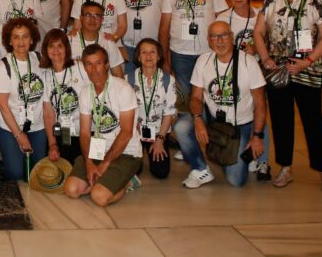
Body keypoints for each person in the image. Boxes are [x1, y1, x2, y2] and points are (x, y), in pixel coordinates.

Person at [252, 0, 322, 192]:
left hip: (307, 69)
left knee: (313, 120)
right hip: (278, 71)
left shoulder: (316, 3)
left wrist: (307, 61)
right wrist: (265, 57)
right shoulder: (271, 1)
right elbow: (258, 32)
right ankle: (285, 167)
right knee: (281, 120)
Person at [174, 20, 267, 189]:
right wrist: (198, 119)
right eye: (214, 36)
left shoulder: (248, 62)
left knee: (236, 181)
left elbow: (260, 103)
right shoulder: (203, 61)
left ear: (231, 37)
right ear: (208, 40)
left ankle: (237, 155)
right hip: (213, 120)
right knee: (181, 127)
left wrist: (257, 136)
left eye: (224, 35)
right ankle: (200, 169)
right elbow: (195, 97)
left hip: (240, 125)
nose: (220, 41)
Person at [63, 44, 141, 207]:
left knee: (98, 197)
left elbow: (126, 133)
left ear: (106, 65)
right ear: (84, 67)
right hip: (99, 149)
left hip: (126, 153)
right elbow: (84, 133)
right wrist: (89, 162)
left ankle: (128, 182)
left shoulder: (123, 89)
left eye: (98, 63)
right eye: (89, 64)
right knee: (71, 190)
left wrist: (105, 164)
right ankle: (105, 180)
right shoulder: (86, 92)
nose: (94, 69)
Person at [218, 0, 271, 181]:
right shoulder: (222, 18)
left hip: (256, 74)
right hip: (232, 76)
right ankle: (241, 152)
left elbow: (269, 45)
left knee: (260, 111)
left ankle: (263, 160)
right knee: (241, 113)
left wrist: (256, 50)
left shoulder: (261, 16)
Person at [159, 0, 229, 97]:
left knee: (210, 93)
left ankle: (207, 120)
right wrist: (164, 59)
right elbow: (164, 29)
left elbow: (225, 20)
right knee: (185, 96)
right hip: (180, 55)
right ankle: (191, 120)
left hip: (208, 51)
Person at [0, 18, 47, 181]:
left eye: (25, 36)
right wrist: (19, 135)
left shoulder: (40, 60)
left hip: (37, 125)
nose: (21, 41)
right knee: (16, 174)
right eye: (16, 37)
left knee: (37, 174)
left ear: (32, 39)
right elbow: (2, 105)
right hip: (10, 127)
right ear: (9, 41)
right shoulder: (3, 67)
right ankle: (8, 158)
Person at [40, 28, 88, 164]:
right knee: (60, 168)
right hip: (64, 133)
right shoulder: (46, 75)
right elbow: (48, 113)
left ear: (66, 48)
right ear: (46, 49)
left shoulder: (80, 67)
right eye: (51, 46)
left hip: (86, 132)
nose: (56, 50)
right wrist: (52, 144)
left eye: (60, 46)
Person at [132, 38, 176, 182]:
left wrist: (160, 140)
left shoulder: (168, 80)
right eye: (144, 52)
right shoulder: (129, 79)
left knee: (161, 173)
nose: (148, 56)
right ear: (138, 57)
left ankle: (154, 149)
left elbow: (169, 113)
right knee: (133, 171)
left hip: (158, 132)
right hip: (135, 132)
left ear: (158, 56)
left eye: (152, 52)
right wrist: (133, 136)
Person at [70, 1, 126, 79]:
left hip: (104, 89)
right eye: (88, 15)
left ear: (102, 19)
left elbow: (118, 74)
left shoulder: (108, 41)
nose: (92, 19)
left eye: (97, 16)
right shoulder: (69, 41)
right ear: (81, 18)